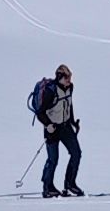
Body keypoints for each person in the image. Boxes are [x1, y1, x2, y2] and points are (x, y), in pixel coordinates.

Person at [32, 65, 83, 199]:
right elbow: (40, 113)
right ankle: (48, 187)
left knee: (76, 153)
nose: (69, 80)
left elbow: (69, 105)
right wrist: (48, 125)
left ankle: (70, 184)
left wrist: (72, 122)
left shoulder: (70, 88)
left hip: (66, 127)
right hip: (52, 128)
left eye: (70, 77)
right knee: (53, 159)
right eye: (67, 77)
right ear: (60, 77)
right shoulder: (51, 91)